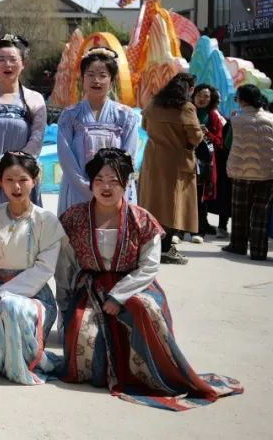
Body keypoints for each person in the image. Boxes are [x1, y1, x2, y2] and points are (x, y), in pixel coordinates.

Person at [57, 148, 243, 409]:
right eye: (99, 180)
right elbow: (64, 265)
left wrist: (118, 296)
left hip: (135, 285)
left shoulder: (142, 220)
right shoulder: (74, 218)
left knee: (144, 308)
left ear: (126, 183)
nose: (106, 187)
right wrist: (64, 304)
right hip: (91, 287)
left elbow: (149, 266)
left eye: (114, 180)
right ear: (91, 183)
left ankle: (152, 372)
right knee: (82, 330)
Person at [0, 151, 64, 385]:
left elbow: (44, 269)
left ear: (34, 180)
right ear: (0, 181)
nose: (16, 186)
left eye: (23, 179)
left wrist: (2, 295)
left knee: (11, 306)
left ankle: (22, 366)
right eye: (9, 180)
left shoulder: (46, 221)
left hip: (35, 297)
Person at [0, 34, 48, 215]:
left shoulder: (34, 99)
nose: (7, 65)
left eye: (13, 59)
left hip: (22, 178)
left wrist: (16, 173)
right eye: (1, 59)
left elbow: (37, 137)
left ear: (23, 63)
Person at [56, 48, 139, 216]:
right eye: (90, 74)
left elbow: (129, 156)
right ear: (82, 79)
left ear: (112, 80)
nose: (96, 80)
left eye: (103, 75)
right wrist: (86, 187)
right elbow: (66, 158)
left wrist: (111, 187)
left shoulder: (125, 115)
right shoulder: (70, 115)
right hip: (77, 190)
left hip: (115, 192)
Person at [136, 72, 202, 265]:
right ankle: (165, 249)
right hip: (177, 161)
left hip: (153, 159)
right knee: (173, 206)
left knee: (152, 202)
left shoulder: (153, 104)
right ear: (189, 89)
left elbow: (145, 126)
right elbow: (195, 137)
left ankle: (151, 246)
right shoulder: (186, 108)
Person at [223, 84, 273, 261]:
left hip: (240, 172)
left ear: (241, 100)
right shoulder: (272, 118)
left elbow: (228, 143)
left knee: (240, 210)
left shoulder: (236, 119)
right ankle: (259, 251)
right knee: (261, 212)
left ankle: (238, 245)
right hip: (268, 173)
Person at [193, 84, 226, 237]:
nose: (202, 99)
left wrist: (208, 134)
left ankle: (202, 223)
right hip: (187, 157)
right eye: (199, 95)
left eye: (206, 96)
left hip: (206, 161)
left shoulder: (213, 116)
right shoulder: (187, 111)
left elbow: (219, 142)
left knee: (203, 193)